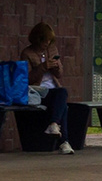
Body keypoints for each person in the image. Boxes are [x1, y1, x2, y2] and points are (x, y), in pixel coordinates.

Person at [21, 23, 74, 155]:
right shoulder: (27, 53)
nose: (47, 43)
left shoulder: (52, 50)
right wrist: (43, 67)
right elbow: (26, 78)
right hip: (37, 91)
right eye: (45, 40)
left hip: (53, 89)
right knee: (63, 99)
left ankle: (55, 127)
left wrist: (56, 67)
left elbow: (59, 74)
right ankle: (64, 142)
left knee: (62, 97)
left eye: (49, 41)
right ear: (38, 39)